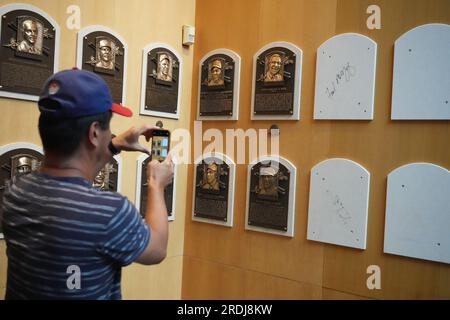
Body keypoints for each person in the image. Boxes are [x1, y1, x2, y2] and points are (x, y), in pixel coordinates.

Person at [1, 69, 174, 300]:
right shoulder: (109, 212)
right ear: (94, 132)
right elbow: (157, 249)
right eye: (107, 129)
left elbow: (73, 183)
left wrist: (112, 145)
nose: (110, 133)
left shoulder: (15, 192)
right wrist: (156, 183)